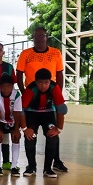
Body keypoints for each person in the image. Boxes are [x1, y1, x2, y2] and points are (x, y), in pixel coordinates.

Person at [16, 27, 68, 172]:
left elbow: (59, 74)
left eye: (42, 35)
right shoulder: (25, 54)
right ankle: (31, 165)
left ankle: (54, 163)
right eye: (36, 36)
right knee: (30, 135)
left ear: (47, 36)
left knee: (52, 133)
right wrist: (24, 92)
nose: (39, 38)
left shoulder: (56, 53)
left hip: (49, 100)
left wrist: (57, 93)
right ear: (33, 37)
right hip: (31, 98)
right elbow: (19, 74)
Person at [21, 68, 67, 179]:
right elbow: (21, 110)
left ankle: (48, 168)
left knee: (52, 137)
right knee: (30, 137)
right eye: (40, 83)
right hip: (32, 114)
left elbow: (61, 109)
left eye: (46, 83)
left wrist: (58, 129)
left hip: (48, 114)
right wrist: (25, 129)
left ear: (50, 81)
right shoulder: (30, 89)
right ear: (36, 82)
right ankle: (31, 166)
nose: (43, 86)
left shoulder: (54, 87)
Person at [0, 74, 23, 177]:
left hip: (12, 121)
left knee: (16, 138)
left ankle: (14, 167)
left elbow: (17, 113)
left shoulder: (16, 95)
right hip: (0, 121)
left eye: (8, 86)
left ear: (12, 86)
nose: (6, 89)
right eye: (3, 86)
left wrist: (16, 129)